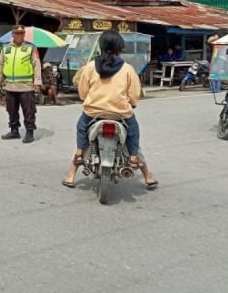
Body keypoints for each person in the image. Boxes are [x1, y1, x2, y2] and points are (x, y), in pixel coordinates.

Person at [62, 30, 157, 189]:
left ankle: (72, 172)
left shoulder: (90, 67)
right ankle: (142, 169)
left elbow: (83, 92)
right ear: (120, 47)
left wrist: (89, 100)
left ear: (101, 46)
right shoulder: (127, 69)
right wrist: (131, 103)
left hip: (93, 112)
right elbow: (134, 94)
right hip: (120, 113)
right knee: (133, 133)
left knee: (83, 132)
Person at [0, 25, 42, 143]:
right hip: (10, 86)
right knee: (11, 110)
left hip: (26, 86)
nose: (19, 35)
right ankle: (14, 130)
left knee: (29, 110)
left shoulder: (30, 48)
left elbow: (37, 65)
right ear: (13, 34)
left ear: (24, 34)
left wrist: (37, 81)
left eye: (21, 33)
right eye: (17, 33)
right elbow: (0, 64)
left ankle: (29, 132)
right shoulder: (6, 48)